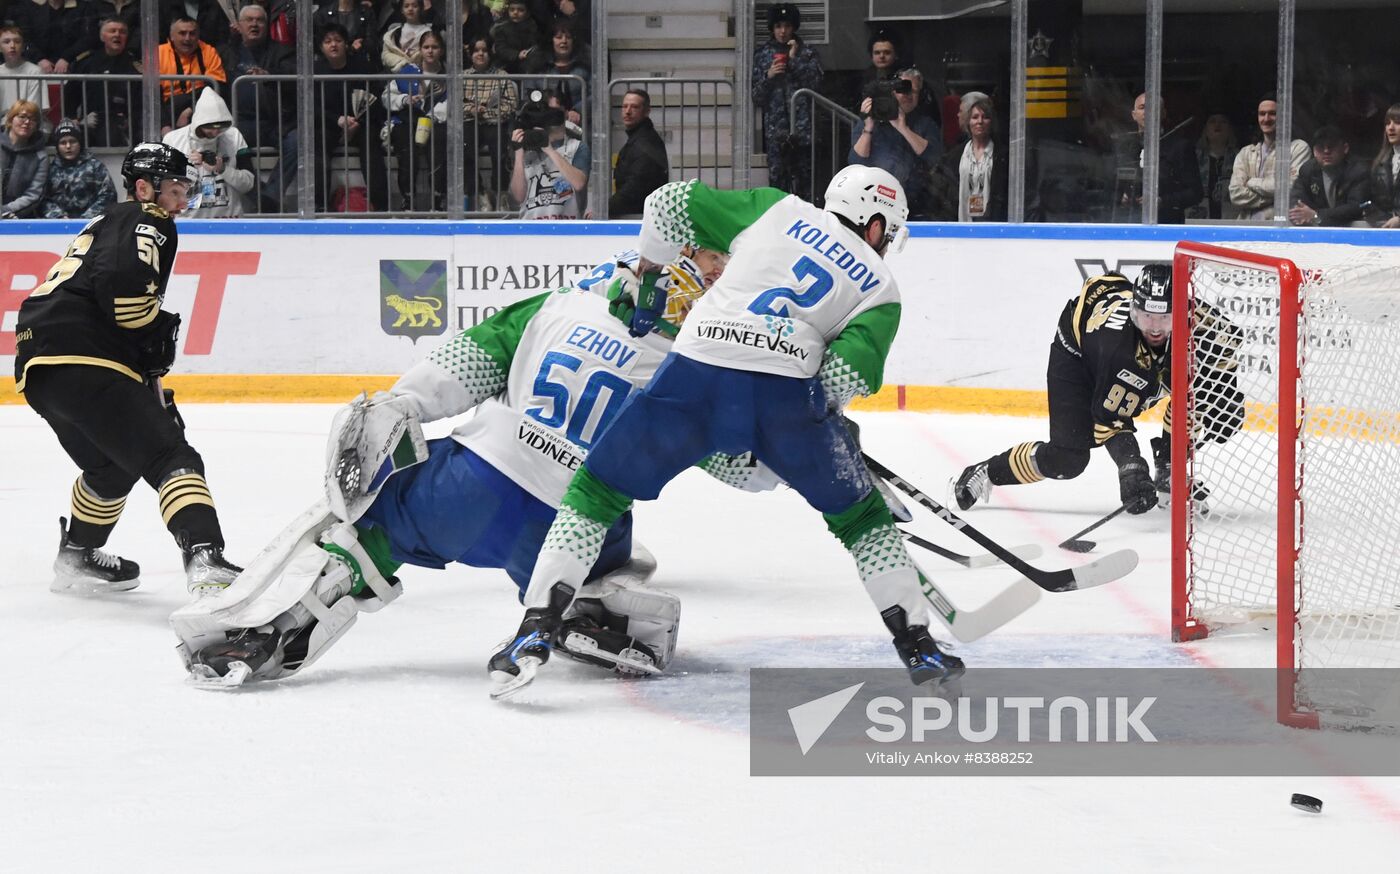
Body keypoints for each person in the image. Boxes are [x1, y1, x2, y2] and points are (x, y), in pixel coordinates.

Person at [487, 166, 968, 698]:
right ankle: (917, 644)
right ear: (875, 226)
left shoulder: (775, 207)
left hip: (697, 373)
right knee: (862, 521)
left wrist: (649, 264)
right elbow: (847, 374)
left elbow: (665, 200)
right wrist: (822, 426)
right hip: (785, 399)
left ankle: (533, 631)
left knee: (596, 493)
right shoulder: (882, 288)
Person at [169, 247, 733, 688]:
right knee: (619, 552)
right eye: (715, 262)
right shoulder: (706, 367)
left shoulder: (567, 303)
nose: (721, 272)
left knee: (374, 523)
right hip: (572, 524)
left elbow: (467, 361)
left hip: (468, 487)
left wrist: (400, 403)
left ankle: (267, 630)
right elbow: (743, 466)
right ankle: (592, 611)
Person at [12, 142, 242, 597]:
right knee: (171, 457)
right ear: (144, 188)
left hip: (40, 364)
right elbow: (127, 303)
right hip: (84, 354)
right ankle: (206, 559)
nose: (180, 202)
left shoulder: (105, 222)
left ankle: (78, 554)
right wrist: (154, 329)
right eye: (175, 190)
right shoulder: (146, 219)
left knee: (112, 467)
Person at [953, 265, 1243, 516]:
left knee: (1205, 400)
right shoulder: (1116, 349)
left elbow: (1217, 375)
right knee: (1068, 459)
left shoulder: (1210, 327)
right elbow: (1110, 421)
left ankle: (1169, 471)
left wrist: (1220, 403)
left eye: (1164, 319)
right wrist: (1131, 468)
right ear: (1134, 313)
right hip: (1077, 352)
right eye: (1145, 318)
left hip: (1114, 328)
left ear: (1182, 312)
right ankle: (988, 471)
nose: (1154, 329)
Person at [313, 23, 388, 212]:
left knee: (371, 142)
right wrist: (337, 120)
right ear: (321, 47)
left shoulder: (362, 67)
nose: (333, 45)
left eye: (338, 40)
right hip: (329, 123)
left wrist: (358, 122)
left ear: (346, 44)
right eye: (328, 41)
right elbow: (311, 107)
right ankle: (319, 205)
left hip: (361, 123)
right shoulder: (315, 70)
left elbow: (375, 99)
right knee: (318, 143)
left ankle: (381, 207)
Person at [849, 68, 941, 219]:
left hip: (916, 206)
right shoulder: (872, 120)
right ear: (893, 92)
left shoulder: (926, 124)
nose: (908, 95)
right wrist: (868, 127)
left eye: (914, 91)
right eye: (903, 90)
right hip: (874, 205)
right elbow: (855, 162)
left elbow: (933, 157)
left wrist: (903, 128)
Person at [751, 3, 822, 200]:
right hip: (776, 133)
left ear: (794, 27)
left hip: (803, 130)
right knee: (777, 187)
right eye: (778, 26)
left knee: (805, 187)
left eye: (787, 26)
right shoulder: (762, 54)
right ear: (772, 28)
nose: (783, 31)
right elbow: (756, 96)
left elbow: (815, 85)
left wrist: (793, 61)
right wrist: (769, 75)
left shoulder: (807, 53)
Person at [161, 87, 254, 217]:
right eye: (209, 127)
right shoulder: (173, 139)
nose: (215, 132)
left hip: (229, 222)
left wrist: (223, 169)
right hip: (187, 223)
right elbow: (164, 187)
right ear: (199, 122)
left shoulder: (233, 136)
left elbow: (248, 184)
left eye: (220, 127)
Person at [384, 27, 448, 211]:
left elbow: (452, 102)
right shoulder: (408, 71)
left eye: (434, 47)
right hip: (408, 121)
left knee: (439, 142)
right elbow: (386, 96)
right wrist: (405, 100)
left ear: (441, 50)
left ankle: (438, 198)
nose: (430, 50)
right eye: (426, 46)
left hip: (435, 122)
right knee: (405, 147)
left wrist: (432, 116)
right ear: (420, 49)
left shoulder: (448, 75)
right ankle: (408, 198)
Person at [1116, 92, 1202, 224]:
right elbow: (1109, 186)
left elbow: (1195, 193)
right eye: (1142, 107)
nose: (1148, 111)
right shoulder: (1123, 147)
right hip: (1126, 225)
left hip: (1167, 225)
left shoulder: (1180, 147)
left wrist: (1162, 201)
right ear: (1134, 115)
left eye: (1153, 107)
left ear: (1163, 113)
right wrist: (1120, 197)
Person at [1229, 94, 1310, 221]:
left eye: (1272, 113)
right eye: (1262, 114)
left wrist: (1252, 182)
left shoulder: (1298, 148)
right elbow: (1235, 194)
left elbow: (1291, 188)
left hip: (1280, 227)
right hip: (1246, 227)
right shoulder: (1245, 153)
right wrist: (1275, 197)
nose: (1266, 119)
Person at [509, 90, 588, 219]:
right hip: (531, 228)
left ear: (566, 113)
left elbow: (579, 184)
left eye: (555, 112)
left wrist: (549, 149)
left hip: (568, 228)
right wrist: (518, 154)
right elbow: (518, 197)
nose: (549, 117)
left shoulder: (577, 147)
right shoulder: (525, 146)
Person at [65, 16, 143, 147]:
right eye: (112, 31)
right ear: (102, 37)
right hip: (89, 120)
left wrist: (131, 121)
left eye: (122, 32)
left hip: (120, 123)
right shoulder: (86, 63)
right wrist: (75, 120)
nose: (117, 35)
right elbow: (70, 94)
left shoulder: (134, 66)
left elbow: (140, 102)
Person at [462, 33, 516, 212]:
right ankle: (479, 193)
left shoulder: (502, 76)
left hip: (494, 122)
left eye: (484, 50)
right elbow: (454, 104)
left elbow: (510, 104)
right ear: (470, 54)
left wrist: (488, 112)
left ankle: (500, 193)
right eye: (476, 50)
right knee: (465, 149)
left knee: (499, 151)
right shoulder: (462, 77)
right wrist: (471, 109)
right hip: (470, 122)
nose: (480, 54)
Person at [1287, 124, 1370, 227]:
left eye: (1332, 146)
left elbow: (1356, 207)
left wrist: (1317, 215)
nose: (1326, 151)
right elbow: (1296, 198)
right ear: (1314, 151)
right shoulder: (1307, 170)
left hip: (1351, 225)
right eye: (1321, 147)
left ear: (1345, 148)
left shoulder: (1358, 170)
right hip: (1319, 226)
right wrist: (1299, 213)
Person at [157, 15, 227, 133]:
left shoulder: (208, 51)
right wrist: (164, 125)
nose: (188, 38)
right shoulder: (158, 53)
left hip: (200, 107)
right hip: (167, 108)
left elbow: (216, 86)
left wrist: (189, 110)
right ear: (172, 37)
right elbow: (153, 96)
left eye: (192, 34)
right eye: (182, 33)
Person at [609, 87, 667, 216]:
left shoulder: (645, 143)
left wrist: (606, 208)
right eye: (624, 106)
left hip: (639, 216)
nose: (628, 111)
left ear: (646, 111)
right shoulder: (639, 139)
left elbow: (634, 188)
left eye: (634, 107)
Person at [41, 119, 116, 218]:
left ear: (80, 143)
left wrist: (86, 218)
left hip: (92, 225)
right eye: (63, 143)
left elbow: (108, 196)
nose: (68, 146)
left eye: (72, 141)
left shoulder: (95, 167)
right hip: (58, 227)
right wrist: (58, 217)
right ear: (57, 146)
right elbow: (43, 200)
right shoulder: (50, 170)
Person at [951, 96, 1006, 221]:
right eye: (975, 117)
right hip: (962, 223)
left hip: (992, 224)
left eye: (985, 117)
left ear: (991, 122)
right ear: (968, 122)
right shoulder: (955, 155)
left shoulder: (1002, 155)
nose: (979, 121)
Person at [525, 17, 587, 115]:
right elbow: (528, 93)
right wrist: (545, 102)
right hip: (544, 120)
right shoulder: (538, 65)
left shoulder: (585, 65)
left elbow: (594, 95)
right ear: (551, 41)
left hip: (581, 121)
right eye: (559, 37)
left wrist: (577, 111)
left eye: (568, 37)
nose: (564, 41)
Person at [1, 99, 48, 217]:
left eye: (33, 120)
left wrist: (4, 210)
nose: (27, 122)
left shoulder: (41, 157)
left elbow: (33, 194)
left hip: (19, 218)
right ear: (11, 119)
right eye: (22, 117)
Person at [1192, 113, 1238, 220]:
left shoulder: (1239, 157)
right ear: (1205, 130)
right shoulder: (1194, 157)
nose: (1218, 125)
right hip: (1199, 216)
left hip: (1231, 216)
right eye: (1212, 121)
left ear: (1229, 129)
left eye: (1223, 122)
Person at [0, 25, 48, 122]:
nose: (12, 46)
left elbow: (34, 108)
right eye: (6, 42)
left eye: (17, 41)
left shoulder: (35, 71)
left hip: (27, 124)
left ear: (22, 46)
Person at [380, 0, 434, 73]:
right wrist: (403, 63)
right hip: (397, 74)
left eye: (414, 6)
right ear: (402, 10)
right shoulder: (394, 33)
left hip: (422, 74)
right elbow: (386, 55)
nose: (410, 9)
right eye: (406, 6)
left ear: (420, 8)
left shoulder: (428, 32)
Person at [1369, 103, 1400, 229]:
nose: (1390, 128)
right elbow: (1377, 202)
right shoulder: (1380, 163)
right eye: (1387, 123)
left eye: (1397, 123)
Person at [489, 0, 539, 74]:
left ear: (527, 13)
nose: (515, 12)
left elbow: (535, 46)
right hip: (505, 67)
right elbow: (500, 49)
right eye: (512, 10)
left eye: (521, 10)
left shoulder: (533, 28)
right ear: (507, 11)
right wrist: (517, 55)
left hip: (527, 67)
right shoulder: (501, 28)